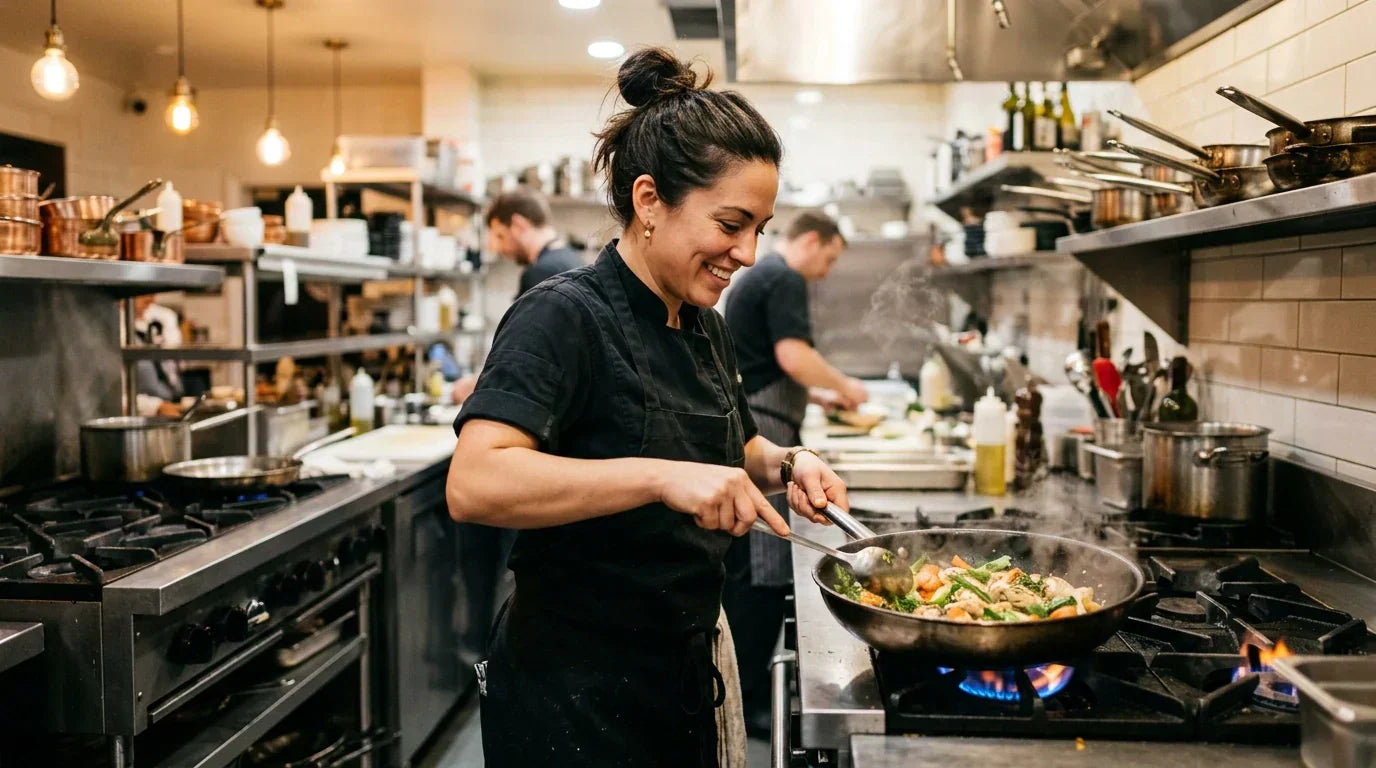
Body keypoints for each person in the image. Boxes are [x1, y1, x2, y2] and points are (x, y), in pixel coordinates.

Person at [446, 47, 849, 768]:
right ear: (648, 201)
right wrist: (661, 477)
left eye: (760, 227)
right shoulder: (561, 316)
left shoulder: (704, 325)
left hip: (677, 673)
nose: (749, 252)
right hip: (572, 694)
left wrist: (790, 462)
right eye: (731, 224)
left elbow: (737, 447)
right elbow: (475, 483)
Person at [720, 209, 867, 735]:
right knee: (761, 572)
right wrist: (847, 386)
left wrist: (822, 393)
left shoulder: (761, 278)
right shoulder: (781, 275)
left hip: (764, 428)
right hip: (763, 430)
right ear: (810, 240)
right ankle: (751, 699)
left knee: (755, 568)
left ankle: (748, 690)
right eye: (827, 257)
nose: (825, 271)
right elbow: (791, 354)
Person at [132, 293, 186, 417]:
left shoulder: (165, 317)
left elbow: (176, 362)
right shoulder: (112, 325)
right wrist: (156, 406)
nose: (151, 298)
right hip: (141, 410)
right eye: (143, 291)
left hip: (174, 400)